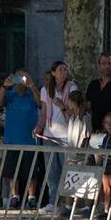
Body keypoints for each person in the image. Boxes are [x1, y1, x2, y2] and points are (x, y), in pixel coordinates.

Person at [0, 70, 42, 208]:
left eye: (23, 77)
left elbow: (41, 103)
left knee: (31, 171)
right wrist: (4, 86)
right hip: (11, 139)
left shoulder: (31, 94)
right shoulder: (9, 95)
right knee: (11, 171)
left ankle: (31, 197)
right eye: (18, 77)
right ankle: (15, 196)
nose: (20, 80)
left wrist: (31, 86)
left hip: (29, 140)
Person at [36, 61, 78, 211]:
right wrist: (39, 127)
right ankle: (53, 202)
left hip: (67, 135)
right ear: (53, 73)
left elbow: (74, 110)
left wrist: (62, 106)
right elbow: (44, 112)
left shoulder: (72, 87)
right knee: (51, 171)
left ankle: (69, 204)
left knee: (68, 170)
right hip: (50, 135)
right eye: (60, 69)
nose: (63, 72)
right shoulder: (45, 90)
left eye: (65, 69)